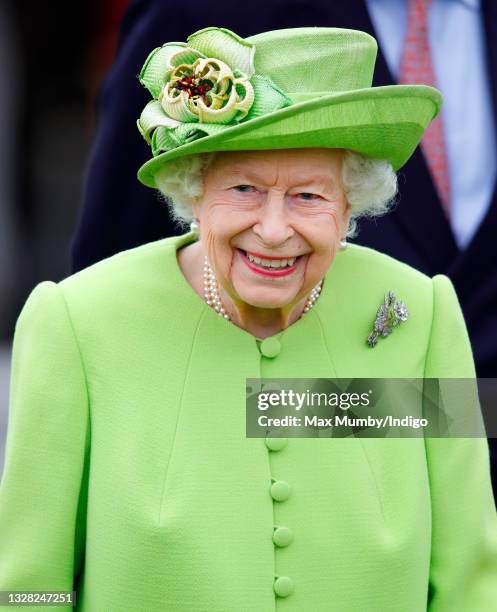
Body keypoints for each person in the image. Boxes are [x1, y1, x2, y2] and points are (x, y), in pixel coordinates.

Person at [1, 26, 497, 611]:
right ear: (195, 189)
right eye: (243, 188)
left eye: (309, 197)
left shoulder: (422, 313)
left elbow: (473, 577)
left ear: (350, 202)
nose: (274, 229)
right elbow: (28, 588)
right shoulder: (76, 322)